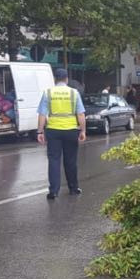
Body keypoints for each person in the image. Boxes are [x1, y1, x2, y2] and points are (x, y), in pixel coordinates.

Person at [37, 68, 87, 199]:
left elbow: (42, 114)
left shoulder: (48, 93)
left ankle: (53, 191)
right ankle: (73, 188)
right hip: (71, 130)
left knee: (54, 160)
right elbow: (81, 114)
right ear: (66, 79)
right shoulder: (74, 93)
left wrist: (40, 131)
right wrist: (82, 130)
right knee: (70, 160)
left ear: (55, 79)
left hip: (53, 131)